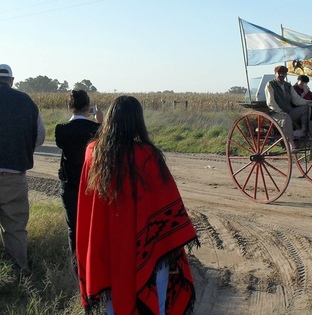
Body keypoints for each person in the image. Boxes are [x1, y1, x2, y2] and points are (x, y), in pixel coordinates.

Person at [76, 95, 199, 315]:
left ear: (110, 119)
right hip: (147, 253)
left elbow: (86, 209)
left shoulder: (93, 153)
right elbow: (166, 203)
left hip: (107, 252)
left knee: (113, 308)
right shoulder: (147, 155)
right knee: (154, 307)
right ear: (137, 121)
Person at [0, 64, 45, 275]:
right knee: (16, 228)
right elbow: (39, 138)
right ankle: (19, 272)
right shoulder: (26, 102)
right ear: (12, 80)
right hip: (14, 175)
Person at [54, 90, 103, 272]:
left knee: (73, 227)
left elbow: (61, 144)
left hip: (69, 185)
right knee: (93, 227)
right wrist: (100, 122)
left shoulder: (61, 129)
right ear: (88, 107)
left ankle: (77, 267)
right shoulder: (96, 129)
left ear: (69, 107)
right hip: (92, 185)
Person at [265, 65, 312, 149]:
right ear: (275, 73)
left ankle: (303, 131)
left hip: (289, 111)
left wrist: (307, 102)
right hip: (275, 113)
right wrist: (279, 111)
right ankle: (291, 143)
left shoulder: (288, 85)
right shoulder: (270, 85)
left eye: (284, 73)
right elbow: (270, 102)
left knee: (306, 108)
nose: (281, 75)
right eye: (279, 73)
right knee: (286, 118)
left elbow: (296, 99)